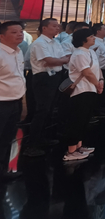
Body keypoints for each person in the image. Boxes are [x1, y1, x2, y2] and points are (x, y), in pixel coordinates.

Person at [26, 18, 70, 157]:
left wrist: (59, 60)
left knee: (50, 109)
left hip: (55, 76)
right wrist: (60, 60)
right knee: (42, 110)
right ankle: (32, 144)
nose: (57, 28)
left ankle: (44, 138)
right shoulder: (39, 43)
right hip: (43, 78)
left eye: (58, 26)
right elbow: (49, 61)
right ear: (44, 28)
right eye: (54, 26)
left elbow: (64, 58)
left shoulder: (55, 42)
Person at [63, 28, 103, 162]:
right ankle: (71, 151)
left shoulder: (90, 51)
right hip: (81, 90)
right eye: (91, 36)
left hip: (91, 89)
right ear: (83, 39)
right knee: (77, 120)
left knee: (84, 120)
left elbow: (97, 69)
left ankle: (79, 146)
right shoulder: (79, 53)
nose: (94, 38)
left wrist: (101, 80)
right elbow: (87, 72)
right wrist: (98, 84)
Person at [0, 22, 27, 180]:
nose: (19, 34)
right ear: (2, 36)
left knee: (8, 137)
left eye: (21, 31)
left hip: (15, 101)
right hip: (2, 103)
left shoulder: (18, 52)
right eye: (14, 32)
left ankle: (3, 170)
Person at [91, 23, 105, 115]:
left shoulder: (103, 41)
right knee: (98, 91)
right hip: (99, 71)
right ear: (98, 31)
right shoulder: (95, 43)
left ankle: (101, 107)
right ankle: (95, 111)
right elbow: (94, 59)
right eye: (104, 29)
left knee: (104, 90)